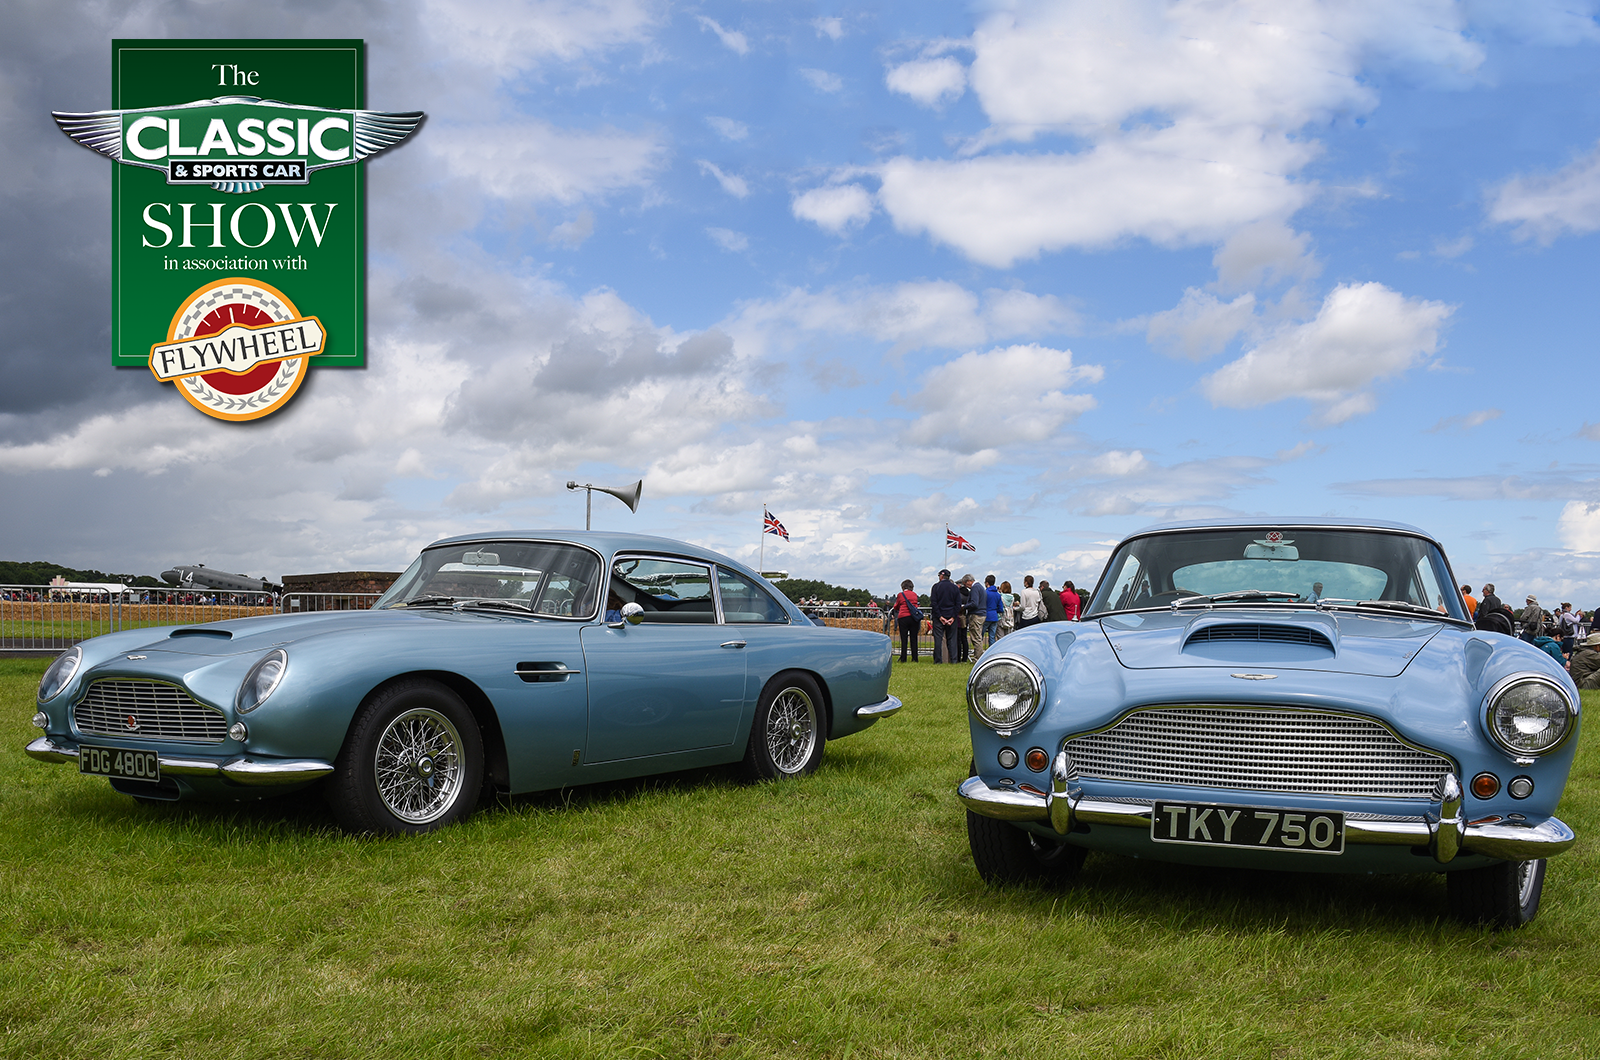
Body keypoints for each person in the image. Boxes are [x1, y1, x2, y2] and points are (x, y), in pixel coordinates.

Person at [930, 569, 962, 664]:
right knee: (952, 640)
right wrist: (953, 617)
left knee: (938, 640)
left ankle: (938, 660)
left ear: (941, 576)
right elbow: (958, 603)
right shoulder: (955, 588)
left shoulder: (936, 587)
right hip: (951, 616)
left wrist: (940, 616)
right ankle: (954, 660)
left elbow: (934, 603)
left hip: (939, 617)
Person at [892, 579, 921, 663]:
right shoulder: (915, 595)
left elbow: (896, 606)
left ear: (903, 587)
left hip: (903, 617)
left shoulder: (901, 595)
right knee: (914, 638)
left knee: (904, 638)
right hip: (914, 618)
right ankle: (915, 658)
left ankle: (903, 658)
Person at [960, 574, 983, 662]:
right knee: (978, 637)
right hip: (981, 614)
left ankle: (977, 659)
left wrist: (964, 607)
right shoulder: (980, 587)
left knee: (976, 638)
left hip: (976, 615)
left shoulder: (975, 588)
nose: (966, 586)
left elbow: (974, 603)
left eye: (965, 584)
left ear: (969, 581)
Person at [983, 575, 1002, 647]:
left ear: (987, 583)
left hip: (986, 616)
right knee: (992, 637)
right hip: (994, 616)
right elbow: (1000, 609)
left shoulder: (985, 593)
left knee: (980, 636)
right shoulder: (998, 594)